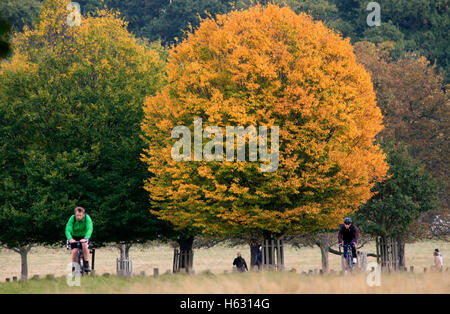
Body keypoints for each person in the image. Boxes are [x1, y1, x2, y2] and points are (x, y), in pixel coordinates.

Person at [65, 206, 93, 272]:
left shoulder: (87, 218)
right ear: (75, 214)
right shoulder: (72, 218)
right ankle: (74, 267)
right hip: (74, 236)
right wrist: (70, 238)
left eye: (80, 215)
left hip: (84, 236)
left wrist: (86, 238)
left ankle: (86, 263)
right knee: (74, 251)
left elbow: (90, 228)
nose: (78, 217)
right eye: (77, 215)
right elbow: (68, 229)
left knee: (84, 245)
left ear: (83, 214)